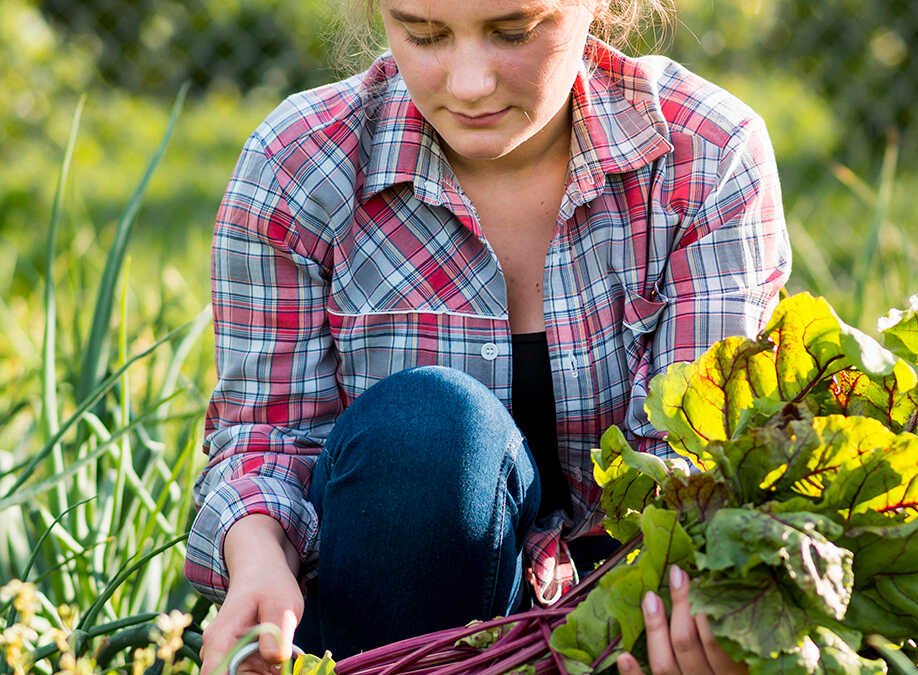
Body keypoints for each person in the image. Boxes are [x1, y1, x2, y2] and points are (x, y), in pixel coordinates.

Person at [186, 1, 790, 673]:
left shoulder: (704, 154)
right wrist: (258, 558)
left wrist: (697, 612)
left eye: (513, 31)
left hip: (623, 607)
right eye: (424, 34)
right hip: (395, 614)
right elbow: (266, 439)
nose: (470, 82)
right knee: (427, 429)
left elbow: (693, 468)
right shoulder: (300, 166)